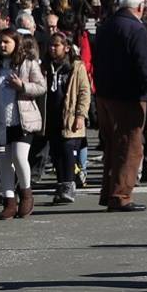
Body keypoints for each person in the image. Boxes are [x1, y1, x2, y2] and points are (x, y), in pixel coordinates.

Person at [94, 0, 147, 212]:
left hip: (105, 94)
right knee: (131, 146)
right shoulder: (137, 30)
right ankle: (121, 195)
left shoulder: (106, 26)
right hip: (129, 96)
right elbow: (146, 67)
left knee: (113, 145)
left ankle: (109, 192)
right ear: (140, 7)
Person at [0, 29, 46, 219]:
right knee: (4, 161)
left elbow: (41, 86)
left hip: (23, 120)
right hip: (1, 121)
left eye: (6, 41)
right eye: (0, 42)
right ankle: (9, 201)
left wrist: (22, 86)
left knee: (19, 156)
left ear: (16, 43)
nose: (2, 45)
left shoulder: (28, 63)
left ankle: (26, 194)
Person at [45, 31, 93, 203]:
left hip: (70, 117)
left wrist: (81, 115)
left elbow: (84, 92)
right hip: (52, 117)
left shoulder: (75, 67)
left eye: (56, 45)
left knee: (67, 152)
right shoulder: (46, 65)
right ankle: (60, 184)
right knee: (56, 153)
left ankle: (69, 185)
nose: (52, 49)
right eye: (50, 45)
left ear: (66, 48)